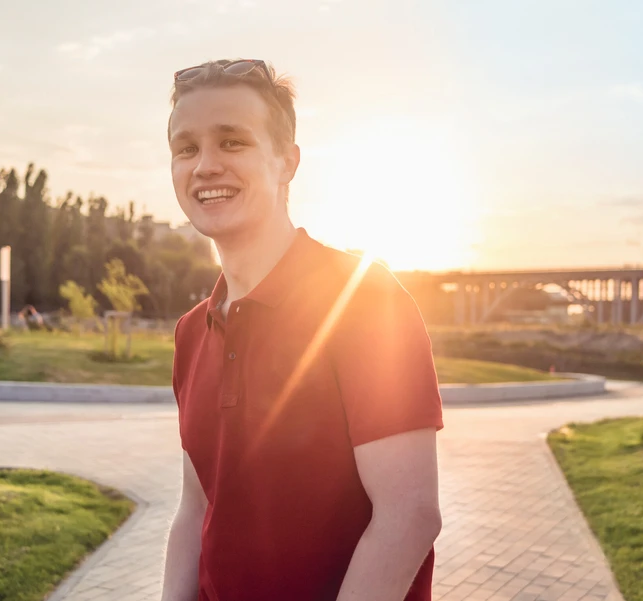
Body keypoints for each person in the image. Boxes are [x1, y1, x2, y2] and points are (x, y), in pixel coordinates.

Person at [162, 59, 444, 601]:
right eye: (186, 148)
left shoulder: (364, 300)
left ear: (286, 161)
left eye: (232, 142)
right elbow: (196, 507)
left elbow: (407, 516)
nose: (205, 166)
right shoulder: (192, 333)